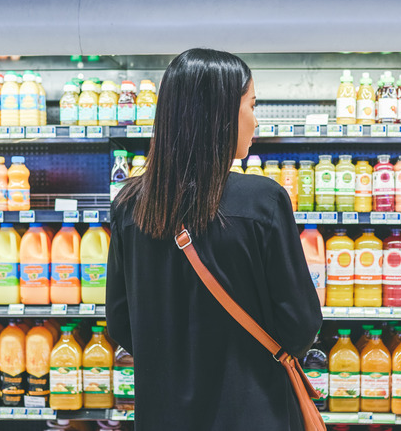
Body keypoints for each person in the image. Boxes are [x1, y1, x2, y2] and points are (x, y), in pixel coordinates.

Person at [107, 48, 322, 430]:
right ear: (221, 114)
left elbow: (122, 323)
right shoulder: (263, 201)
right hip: (254, 413)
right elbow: (301, 324)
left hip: (162, 416)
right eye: (251, 106)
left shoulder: (128, 205)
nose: (255, 121)